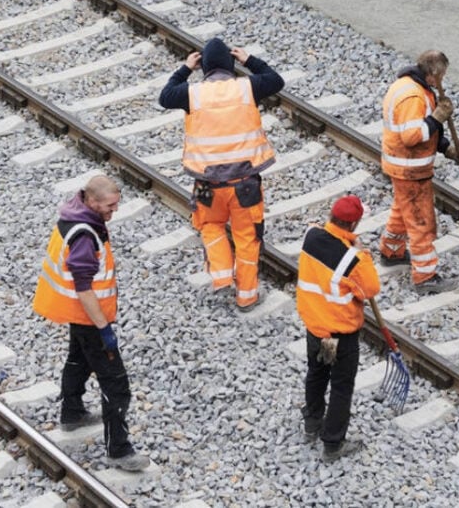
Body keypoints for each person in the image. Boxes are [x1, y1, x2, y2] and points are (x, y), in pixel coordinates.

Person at [32, 175, 149, 472]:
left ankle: (72, 413)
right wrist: (104, 329)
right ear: (92, 201)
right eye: (109, 205)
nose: (114, 210)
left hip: (77, 312)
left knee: (79, 360)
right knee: (116, 383)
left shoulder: (77, 217)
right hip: (88, 315)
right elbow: (84, 286)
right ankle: (119, 450)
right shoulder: (85, 235)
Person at [159, 37, 284, 311]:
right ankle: (247, 296)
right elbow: (276, 80)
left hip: (207, 184)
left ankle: (222, 275)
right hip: (246, 184)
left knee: (210, 225)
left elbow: (165, 97)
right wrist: (249, 60)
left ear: (203, 67)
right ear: (231, 64)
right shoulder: (246, 87)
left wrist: (184, 69)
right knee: (246, 238)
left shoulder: (193, 94)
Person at [296, 195, 381, 462]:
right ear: (353, 224)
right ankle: (333, 444)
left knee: (316, 374)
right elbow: (371, 289)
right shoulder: (353, 260)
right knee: (342, 386)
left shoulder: (311, 236)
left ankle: (312, 422)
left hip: (314, 327)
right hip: (341, 335)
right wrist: (361, 251)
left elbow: (319, 229)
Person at [379, 50, 459, 294]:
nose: (443, 82)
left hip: (402, 167)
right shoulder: (413, 97)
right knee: (421, 221)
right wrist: (438, 118)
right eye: (442, 77)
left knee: (402, 209)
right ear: (433, 75)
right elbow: (412, 137)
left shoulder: (407, 85)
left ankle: (392, 251)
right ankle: (425, 276)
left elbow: (421, 129)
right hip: (410, 169)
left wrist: (446, 148)